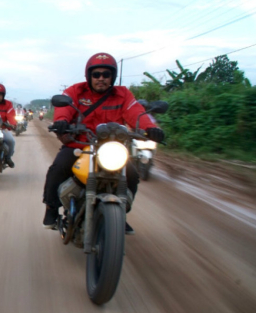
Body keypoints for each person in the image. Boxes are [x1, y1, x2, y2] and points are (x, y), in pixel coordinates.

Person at [42, 52, 165, 234]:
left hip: (112, 148)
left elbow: (135, 112)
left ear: (112, 77)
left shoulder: (123, 94)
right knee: (58, 168)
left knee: (131, 175)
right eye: (96, 74)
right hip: (80, 146)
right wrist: (61, 122)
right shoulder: (75, 91)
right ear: (89, 76)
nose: (101, 78)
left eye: (106, 75)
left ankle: (120, 213)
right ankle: (51, 209)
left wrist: (150, 128)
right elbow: (64, 109)